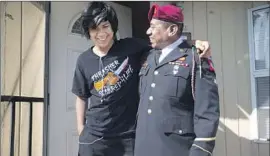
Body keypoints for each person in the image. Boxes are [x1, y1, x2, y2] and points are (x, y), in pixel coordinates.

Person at [71, 2, 213, 156]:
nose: (101, 33)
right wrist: (80, 127)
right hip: (94, 138)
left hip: (127, 137)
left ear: (113, 26)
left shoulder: (132, 46)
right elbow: (81, 95)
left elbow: (165, 46)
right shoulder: (83, 60)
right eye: (95, 29)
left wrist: (192, 44)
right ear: (88, 32)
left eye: (105, 26)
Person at [134, 4, 220, 156]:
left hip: (176, 149)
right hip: (144, 148)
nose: (148, 31)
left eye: (153, 27)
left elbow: (207, 111)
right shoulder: (148, 56)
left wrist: (200, 151)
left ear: (172, 30)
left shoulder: (196, 59)